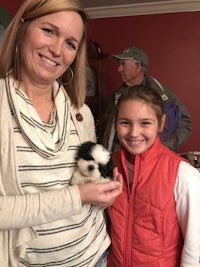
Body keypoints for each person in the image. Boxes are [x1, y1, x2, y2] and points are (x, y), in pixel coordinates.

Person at [0, 1, 123, 266]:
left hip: (95, 255)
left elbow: (86, 184)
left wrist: (102, 193)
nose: (56, 50)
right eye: (49, 31)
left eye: (70, 43)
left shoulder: (81, 113)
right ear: (22, 28)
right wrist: (79, 196)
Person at [107, 85, 200, 267]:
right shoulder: (107, 166)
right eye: (125, 122)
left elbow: (194, 245)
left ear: (161, 123)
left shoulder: (182, 173)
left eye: (145, 123)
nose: (134, 133)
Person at [102, 46, 192, 152]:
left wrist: (165, 146)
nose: (119, 69)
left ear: (137, 66)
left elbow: (185, 122)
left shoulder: (162, 93)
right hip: (121, 159)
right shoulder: (117, 96)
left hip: (152, 160)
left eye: (123, 64)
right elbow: (108, 130)